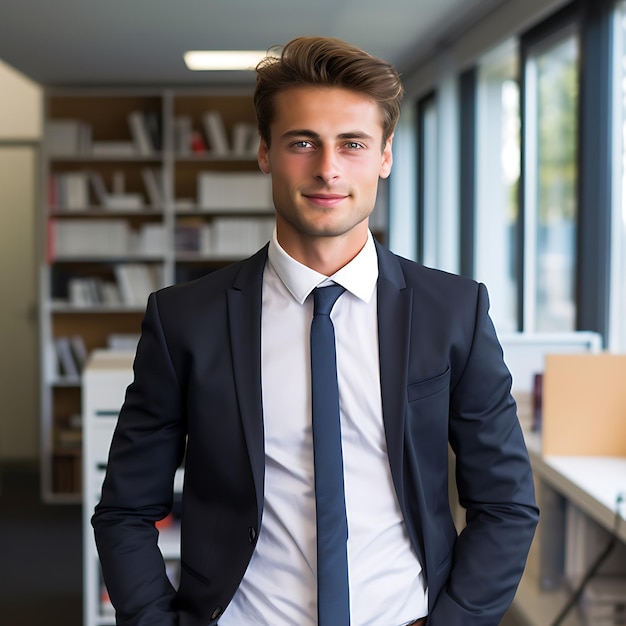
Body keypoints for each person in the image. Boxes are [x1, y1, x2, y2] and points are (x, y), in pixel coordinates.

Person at [92, 36, 539, 626]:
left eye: (353, 144)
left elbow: (505, 504)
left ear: (384, 155)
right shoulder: (184, 321)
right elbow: (125, 509)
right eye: (302, 142)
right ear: (265, 152)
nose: (328, 168)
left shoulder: (453, 311)